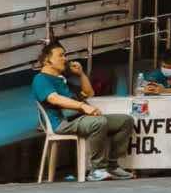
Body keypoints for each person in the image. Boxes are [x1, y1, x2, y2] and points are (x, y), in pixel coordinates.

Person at [32, 41, 134, 181]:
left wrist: (81, 75)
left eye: (65, 55)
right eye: (60, 55)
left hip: (79, 119)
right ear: (46, 60)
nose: (65, 59)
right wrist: (83, 106)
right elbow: (53, 98)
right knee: (98, 122)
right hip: (62, 123)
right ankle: (97, 170)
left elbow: (89, 93)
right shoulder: (41, 79)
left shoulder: (62, 81)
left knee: (125, 121)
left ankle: (112, 165)